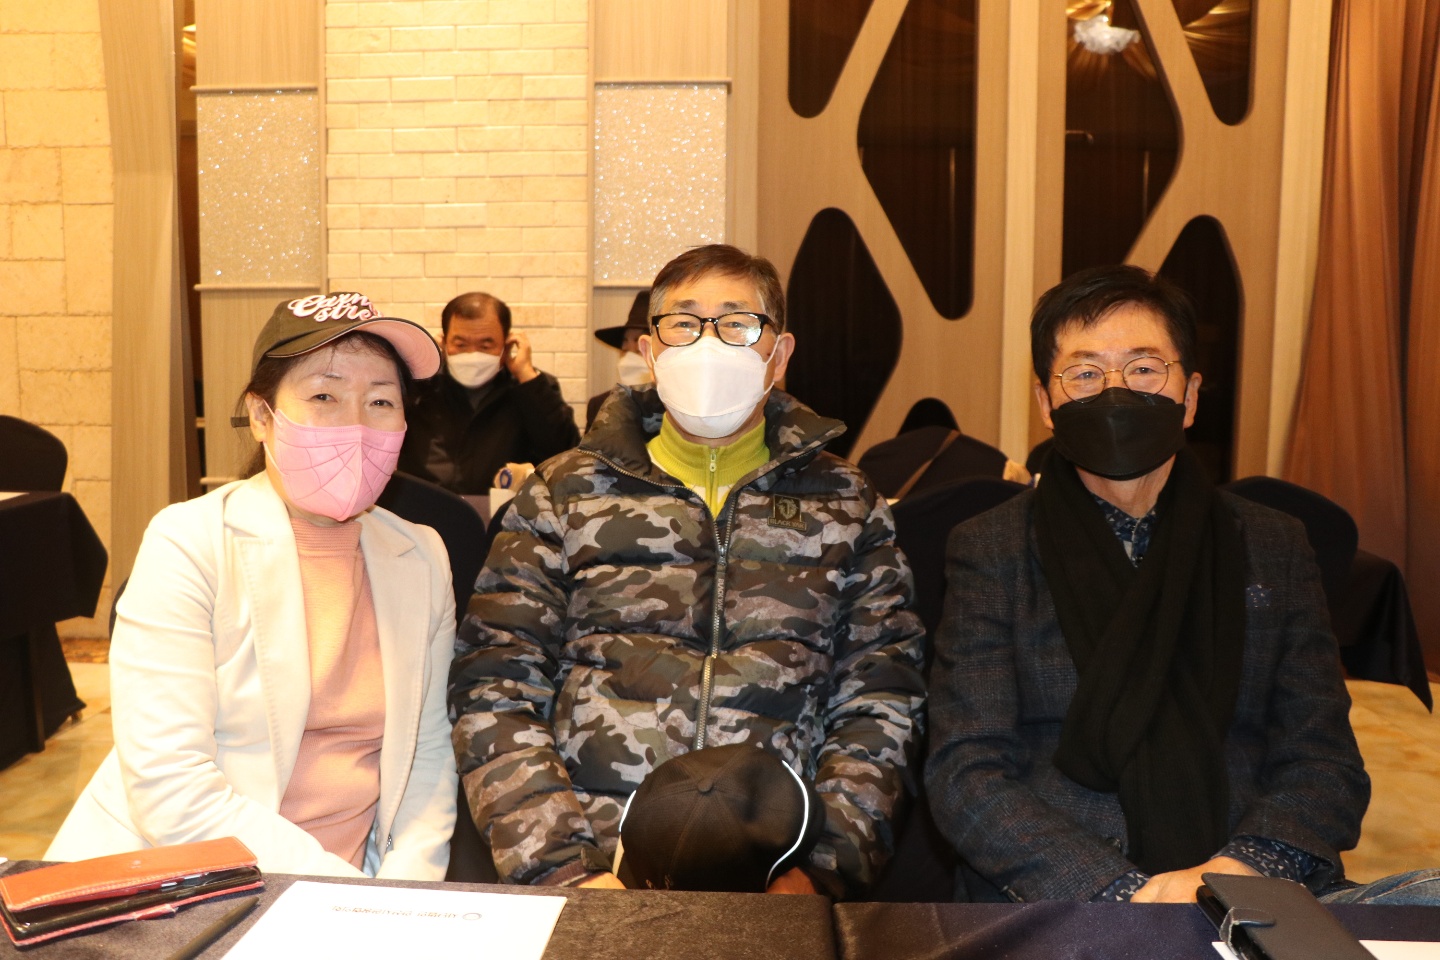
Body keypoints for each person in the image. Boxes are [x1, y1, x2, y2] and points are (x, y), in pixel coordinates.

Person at [449, 244, 926, 898]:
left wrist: (818, 870)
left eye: (737, 323)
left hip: (778, 870)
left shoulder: (847, 503)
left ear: (779, 354)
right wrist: (564, 868)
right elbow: (495, 684)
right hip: (597, 869)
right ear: (650, 351)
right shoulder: (565, 493)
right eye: (684, 323)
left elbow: (883, 697)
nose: (708, 344)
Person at [925, 265, 1374, 903]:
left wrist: (1241, 870)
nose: (1116, 393)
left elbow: (1324, 756)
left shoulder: (1271, 544)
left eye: (1143, 368)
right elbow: (966, 772)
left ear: (1190, 396)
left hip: (1247, 876)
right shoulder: (991, 548)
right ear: (1046, 403)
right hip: (1065, 891)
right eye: (1085, 374)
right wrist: (1121, 893)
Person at [47, 293, 458, 880]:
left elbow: (427, 750)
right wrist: (341, 895)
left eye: (381, 401)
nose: (357, 425)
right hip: (189, 879)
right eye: (324, 396)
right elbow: (171, 784)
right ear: (262, 416)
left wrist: (405, 889)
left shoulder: (421, 554)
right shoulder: (189, 541)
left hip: (361, 893)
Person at [398, 291, 580, 494]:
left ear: (506, 345)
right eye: (460, 345)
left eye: (486, 345)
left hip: (508, 511)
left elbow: (564, 455)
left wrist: (527, 376)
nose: (472, 354)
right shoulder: (422, 388)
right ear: (444, 343)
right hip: (425, 508)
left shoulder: (533, 389)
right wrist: (422, 369)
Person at [584, 289, 653, 431]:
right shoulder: (601, 406)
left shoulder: (676, 406)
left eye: (638, 346)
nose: (630, 351)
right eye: (625, 344)